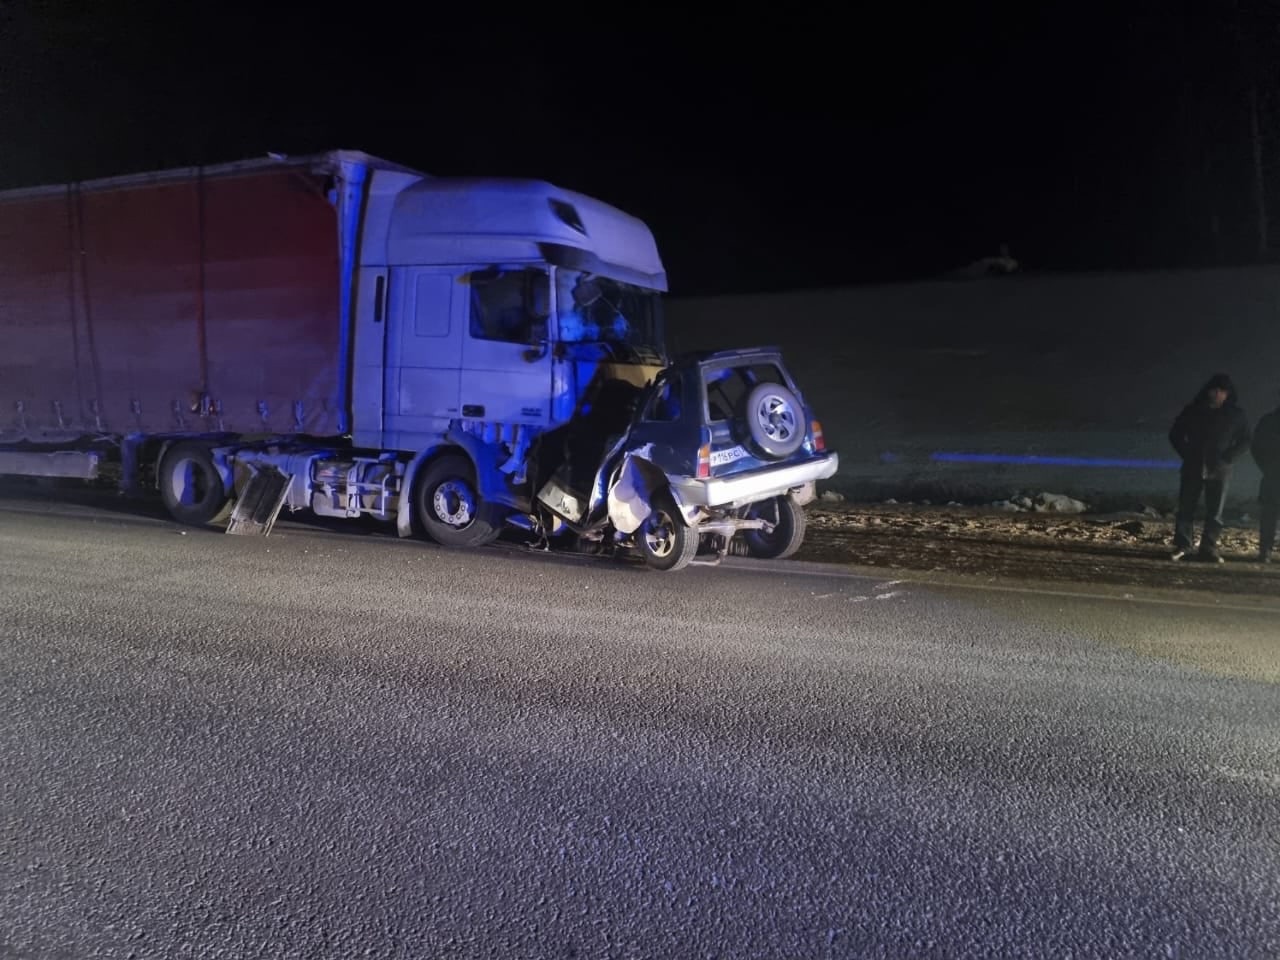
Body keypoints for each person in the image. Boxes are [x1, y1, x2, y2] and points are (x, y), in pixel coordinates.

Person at [1167, 372, 1251, 563]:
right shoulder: (1193, 410)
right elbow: (1175, 434)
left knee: (1215, 512)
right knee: (1186, 508)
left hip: (1220, 468)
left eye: (1222, 390)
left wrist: (1229, 457)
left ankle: (1208, 548)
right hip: (1193, 465)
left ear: (1228, 393)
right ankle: (1183, 545)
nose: (1217, 394)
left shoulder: (1236, 415)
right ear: (1208, 391)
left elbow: (1246, 440)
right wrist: (1187, 453)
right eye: (1214, 389)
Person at [1249, 396, 1280, 563]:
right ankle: (1265, 551)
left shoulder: (1268, 421)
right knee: (1269, 515)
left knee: (1269, 515)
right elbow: (1257, 447)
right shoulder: (1268, 421)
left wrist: (1267, 468)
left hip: (1272, 474)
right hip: (1273, 475)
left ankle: (1265, 552)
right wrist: (1268, 468)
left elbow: (1256, 448)